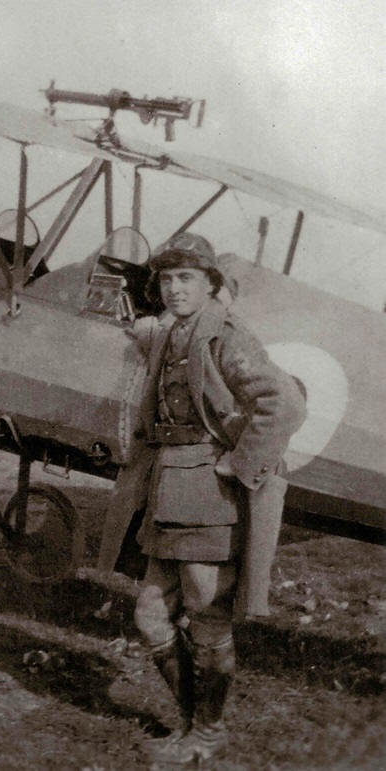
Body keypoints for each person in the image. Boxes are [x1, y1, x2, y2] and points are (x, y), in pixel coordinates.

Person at [98, 232, 307, 766]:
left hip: (211, 496)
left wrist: (240, 464)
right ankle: (192, 724)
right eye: (166, 279)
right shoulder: (172, 333)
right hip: (168, 487)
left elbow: (282, 402)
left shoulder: (224, 334)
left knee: (206, 611)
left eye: (186, 278)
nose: (173, 289)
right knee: (149, 615)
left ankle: (206, 734)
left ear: (211, 285)